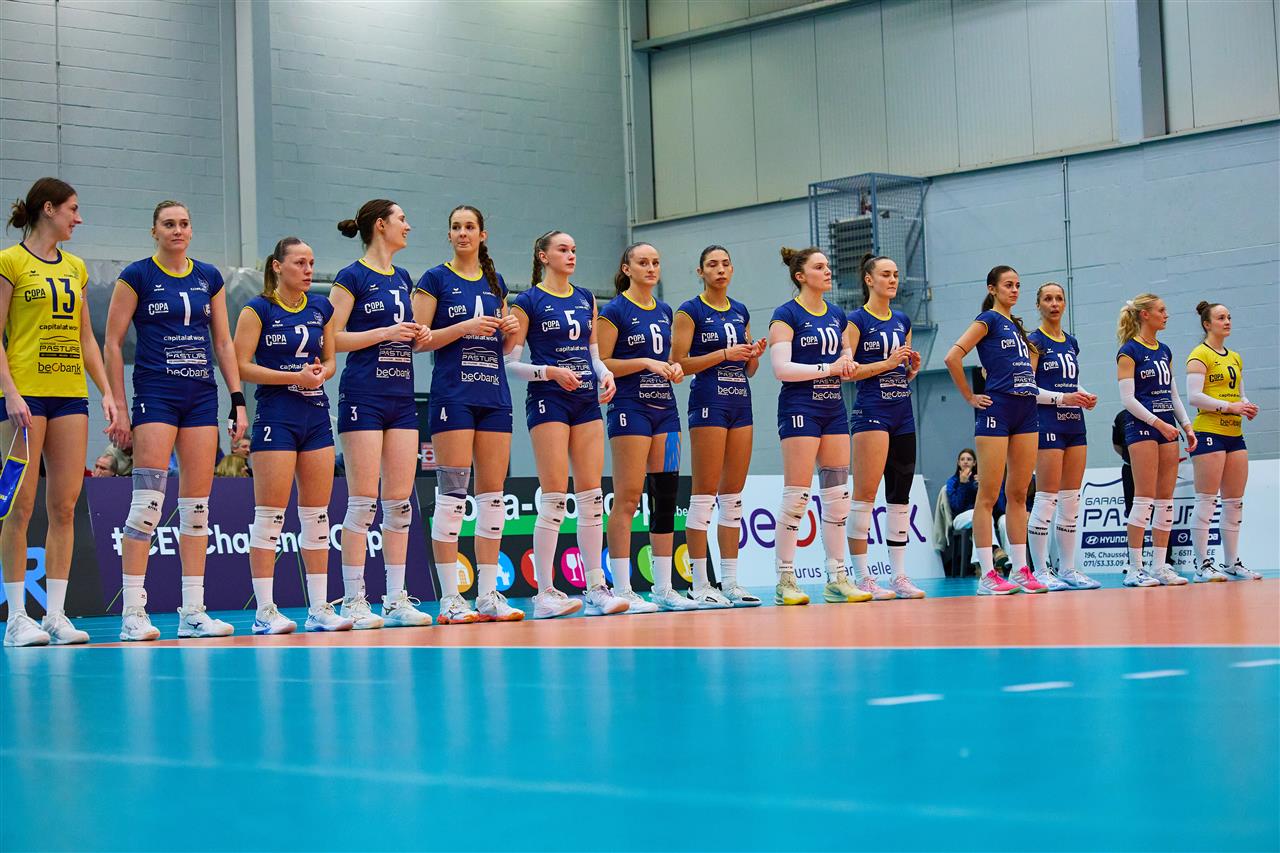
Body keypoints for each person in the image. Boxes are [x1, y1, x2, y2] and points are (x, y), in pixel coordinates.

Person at [104, 200, 248, 640]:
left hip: (200, 397)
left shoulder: (209, 277)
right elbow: (112, 343)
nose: (178, 230)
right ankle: (133, 612)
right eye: (169, 224)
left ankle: (193, 612)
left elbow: (223, 343)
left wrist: (238, 400)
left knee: (197, 508)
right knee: (148, 504)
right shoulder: (137, 276)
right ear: (154, 231)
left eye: (184, 223)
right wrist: (119, 406)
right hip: (156, 396)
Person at [0, 177, 115, 646]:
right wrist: (10, 392)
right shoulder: (10, 261)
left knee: (64, 506)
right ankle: (16, 618)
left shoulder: (76, 267)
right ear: (48, 209)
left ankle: (56, 615)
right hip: (23, 397)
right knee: (19, 506)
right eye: (73, 209)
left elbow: (86, 338)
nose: (78, 218)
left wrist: (107, 391)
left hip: (69, 395)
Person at [506, 230, 627, 618]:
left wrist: (606, 374)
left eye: (574, 249)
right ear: (543, 256)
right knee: (555, 497)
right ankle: (545, 592)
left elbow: (594, 354)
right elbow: (510, 365)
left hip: (585, 399)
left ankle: (596, 588)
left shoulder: (586, 297)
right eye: (562, 249)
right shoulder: (527, 301)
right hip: (549, 399)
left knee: (593, 497)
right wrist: (550, 372)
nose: (571, 255)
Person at [234, 237, 352, 634]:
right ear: (277, 266)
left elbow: (331, 359)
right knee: (270, 516)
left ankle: (319, 607)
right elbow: (240, 365)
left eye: (311, 262)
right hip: (277, 416)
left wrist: (320, 374)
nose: (308, 270)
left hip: (315, 415)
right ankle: (265, 611)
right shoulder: (258, 309)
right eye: (300, 262)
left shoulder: (321, 307)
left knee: (317, 516)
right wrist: (291, 377)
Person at [413, 205, 523, 623]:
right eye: (456, 227)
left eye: (470, 227)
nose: (463, 233)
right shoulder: (435, 279)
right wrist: (463, 327)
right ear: (449, 235)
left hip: (494, 394)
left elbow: (507, 351)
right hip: (453, 395)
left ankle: (489, 595)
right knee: (453, 493)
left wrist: (511, 333)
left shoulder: (496, 282)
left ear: (482, 235)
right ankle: (450, 598)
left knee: (493, 496)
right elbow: (418, 341)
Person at [331, 200, 433, 628]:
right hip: (364, 395)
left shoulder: (403, 277)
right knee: (362, 503)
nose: (408, 226)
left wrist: (419, 335)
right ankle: (354, 599)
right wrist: (384, 332)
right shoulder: (351, 276)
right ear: (380, 225)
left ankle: (395, 599)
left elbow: (407, 338)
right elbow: (332, 338)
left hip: (401, 397)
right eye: (401, 219)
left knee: (400, 504)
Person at [768, 246, 866, 606]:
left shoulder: (837, 314)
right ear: (801, 276)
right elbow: (781, 369)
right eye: (819, 267)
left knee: (838, 498)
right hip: (800, 408)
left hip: (833, 408)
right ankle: (785, 579)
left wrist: (847, 362)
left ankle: (837, 577)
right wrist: (829, 368)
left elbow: (845, 354)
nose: (827, 271)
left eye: (827, 266)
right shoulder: (785, 315)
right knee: (797, 497)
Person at [671, 245, 764, 608]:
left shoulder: (740, 310)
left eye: (725, 264)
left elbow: (749, 370)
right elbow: (679, 363)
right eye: (713, 264)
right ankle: (698, 583)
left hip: (740, 401)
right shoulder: (690, 310)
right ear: (701, 272)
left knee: (733, 497)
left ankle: (731, 581)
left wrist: (752, 355)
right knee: (704, 494)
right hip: (709, 401)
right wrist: (724, 354)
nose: (720, 269)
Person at [943, 265, 1043, 594]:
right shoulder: (987, 320)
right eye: (1008, 285)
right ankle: (987, 574)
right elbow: (952, 357)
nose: (1014, 290)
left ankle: (1021, 569)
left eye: (1018, 285)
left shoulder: (1017, 327)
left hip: (1026, 411)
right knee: (987, 494)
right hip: (996, 410)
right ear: (992, 288)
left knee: (1018, 494)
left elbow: (1026, 366)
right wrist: (970, 396)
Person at [596, 242, 680, 613]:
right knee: (629, 497)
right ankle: (623, 587)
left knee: (665, 497)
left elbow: (667, 359)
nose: (651, 268)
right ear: (627, 268)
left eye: (655, 262)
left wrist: (673, 367)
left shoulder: (664, 310)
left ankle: (664, 588)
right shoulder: (615, 309)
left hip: (666, 410)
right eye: (643, 262)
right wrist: (645, 362)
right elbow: (602, 361)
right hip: (630, 408)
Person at [843, 254, 924, 600]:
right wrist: (887, 363)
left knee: (900, 496)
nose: (893, 280)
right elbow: (848, 371)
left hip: (902, 411)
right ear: (869, 280)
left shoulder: (902, 320)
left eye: (895, 274)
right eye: (885, 274)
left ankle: (899, 576)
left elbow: (898, 369)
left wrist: (909, 369)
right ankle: (863, 577)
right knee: (864, 496)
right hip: (872, 411)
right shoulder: (856, 320)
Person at [1115, 293, 1195, 587]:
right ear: (1145, 314)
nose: (1166, 314)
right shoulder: (1128, 351)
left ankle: (1160, 566)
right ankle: (1135, 568)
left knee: (1165, 501)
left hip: (1167, 428)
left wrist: (1187, 426)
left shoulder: (1164, 350)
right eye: (1161, 310)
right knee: (1144, 498)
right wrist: (1159, 424)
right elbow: (1128, 399)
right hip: (1142, 427)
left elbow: (1173, 395)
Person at [1026, 283, 1100, 590]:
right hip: (1047, 423)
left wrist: (1083, 395)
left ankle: (1068, 569)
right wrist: (1063, 399)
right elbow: (1028, 388)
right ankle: (1041, 571)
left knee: (1071, 501)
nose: (1054, 303)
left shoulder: (1071, 342)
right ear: (1038, 305)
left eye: (1059, 298)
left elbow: (1070, 382)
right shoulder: (1034, 341)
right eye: (1048, 299)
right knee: (1046, 499)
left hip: (1074, 425)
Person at [1186, 301, 1260, 582]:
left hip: (1234, 434)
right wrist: (1230, 407)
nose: (1227, 321)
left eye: (1229, 317)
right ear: (1207, 324)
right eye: (1220, 318)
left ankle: (1231, 563)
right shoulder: (1199, 354)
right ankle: (1202, 565)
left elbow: (1239, 394)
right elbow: (1194, 397)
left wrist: (1246, 405)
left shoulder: (1235, 357)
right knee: (1207, 501)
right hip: (1209, 432)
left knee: (1234, 502)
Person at [1111, 411, 1134, 517]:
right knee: (1132, 508)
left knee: (1155, 505)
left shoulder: (1155, 413)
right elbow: (1116, 444)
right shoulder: (1121, 416)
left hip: (1152, 469)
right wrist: (1130, 458)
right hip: (1129, 467)